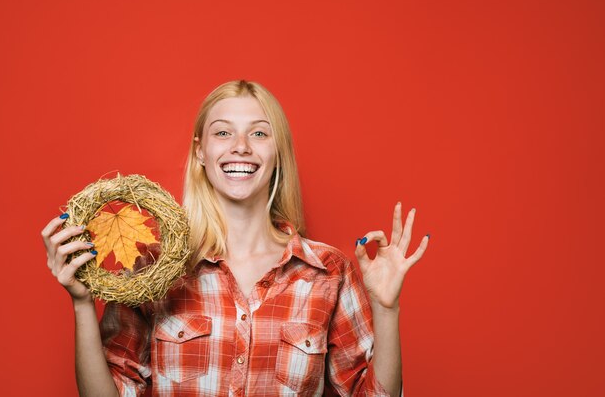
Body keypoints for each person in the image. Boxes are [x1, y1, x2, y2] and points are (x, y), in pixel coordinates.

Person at [42, 80, 429, 396]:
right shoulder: (153, 270)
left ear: (278, 152)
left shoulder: (328, 272)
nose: (240, 146)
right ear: (201, 152)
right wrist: (80, 303)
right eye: (223, 132)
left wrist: (386, 309)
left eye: (259, 133)